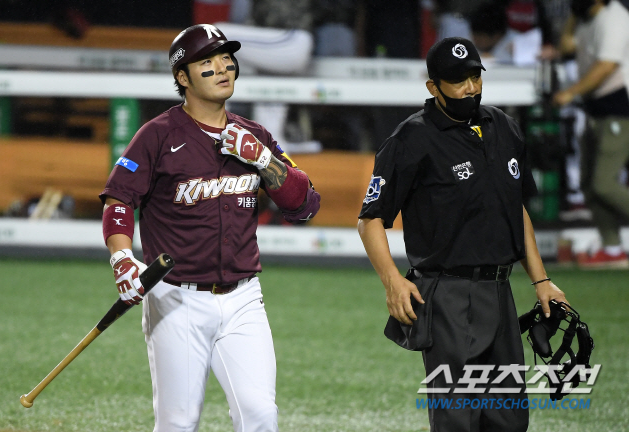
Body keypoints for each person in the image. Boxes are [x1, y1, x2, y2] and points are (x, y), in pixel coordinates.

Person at [99, 24, 320, 432]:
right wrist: (122, 259)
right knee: (179, 422)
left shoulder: (255, 135)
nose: (222, 68)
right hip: (176, 299)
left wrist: (262, 159)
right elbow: (119, 200)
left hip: (244, 299)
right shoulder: (157, 135)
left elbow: (304, 205)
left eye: (226, 58)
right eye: (207, 61)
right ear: (182, 77)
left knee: (260, 415)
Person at [358, 37, 568, 432]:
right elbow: (370, 219)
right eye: (458, 81)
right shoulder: (411, 138)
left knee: (509, 419)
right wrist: (392, 282)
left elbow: (516, 209)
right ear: (433, 86)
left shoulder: (504, 127)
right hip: (448, 295)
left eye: (475, 77)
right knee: (457, 419)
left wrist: (542, 281)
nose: (470, 88)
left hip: (500, 292)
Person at [553, 0, 629, 268]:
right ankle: (612, 250)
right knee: (588, 185)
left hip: (620, 109)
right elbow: (566, 47)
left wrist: (571, 92)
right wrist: (573, 18)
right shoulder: (587, 18)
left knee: (604, 184)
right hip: (596, 110)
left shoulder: (615, 17)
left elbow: (607, 65)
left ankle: (613, 249)